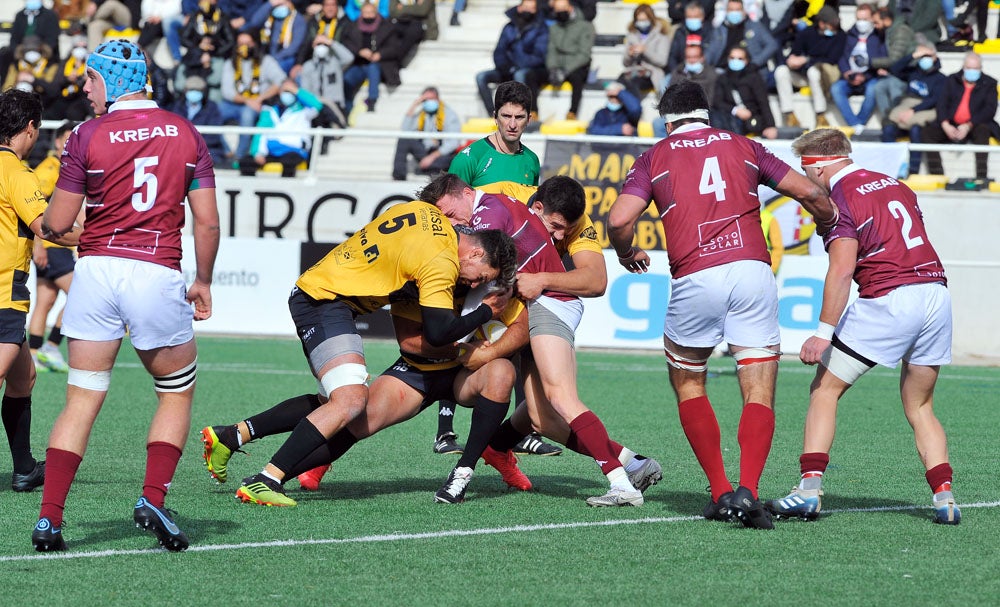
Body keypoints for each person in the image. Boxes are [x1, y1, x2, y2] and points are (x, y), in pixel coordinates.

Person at [607, 80, 837, 528]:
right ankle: (748, 490)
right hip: (752, 270)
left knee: (690, 382)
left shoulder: (654, 156)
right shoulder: (744, 145)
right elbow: (810, 194)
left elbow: (618, 219)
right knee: (758, 387)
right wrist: (830, 225)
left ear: (667, 119)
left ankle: (718, 493)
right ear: (706, 113)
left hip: (695, 275)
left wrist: (625, 252)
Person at [30, 40, 221, 553]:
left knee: (82, 398)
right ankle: (153, 497)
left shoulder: (85, 135)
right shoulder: (185, 132)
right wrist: (202, 279)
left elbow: (56, 223)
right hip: (156, 272)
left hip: (96, 274)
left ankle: (50, 518)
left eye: (90, 80)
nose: (85, 90)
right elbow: (206, 219)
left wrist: (73, 234)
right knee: (175, 392)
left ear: (111, 80)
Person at [223, 203, 517, 507]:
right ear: (475, 254)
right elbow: (436, 334)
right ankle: (266, 479)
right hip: (326, 300)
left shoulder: (426, 216)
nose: (474, 284)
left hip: (326, 293)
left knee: (336, 404)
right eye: (480, 277)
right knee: (349, 402)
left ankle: (235, 438)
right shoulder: (440, 261)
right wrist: (486, 312)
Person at [423, 174, 663, 506]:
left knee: (561, 398)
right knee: (539, 416)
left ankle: (621, 483)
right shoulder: (498, 201)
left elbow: (488, 281)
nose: (452, 224)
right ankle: (629, 463)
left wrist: (457, 332)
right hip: (543, 305)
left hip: (551, 303)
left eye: (450, 215)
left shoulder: (487, 214)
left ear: (466, 194)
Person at [766, 128, 960, 525]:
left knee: (824, 390)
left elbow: (841, 270)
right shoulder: (896, 185)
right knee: (920, 405)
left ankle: (807, 491)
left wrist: (823, 333)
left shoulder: (839, 197)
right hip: (936, 294)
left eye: (806, 171)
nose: (805, 181)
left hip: (891, 298)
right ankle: (945, 498)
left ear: (820, 165)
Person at [204, 284, 531, 502]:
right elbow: (410, 343)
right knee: (347, 414)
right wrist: (464, 349)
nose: (480, 277)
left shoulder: (494, 281)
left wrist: (486, 354)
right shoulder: (426, 276)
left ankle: (464, 470)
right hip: (418, 372)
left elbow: (520, 327)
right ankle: (262, 472)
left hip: (465, 378)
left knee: (502, 372)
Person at [443, 81, 563, 457]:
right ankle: (445, 430)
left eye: (519, 117)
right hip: (473, 267)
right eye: (506, 116)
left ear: (529, 118)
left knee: (509, 344)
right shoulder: (470, 157)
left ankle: (519, 430)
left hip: (511, 270)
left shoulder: (530, 161)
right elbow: (449, 210)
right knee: (453, 338)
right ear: (494, 116)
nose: (512, 124)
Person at [0, 90, 77, 500]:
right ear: (30, 128)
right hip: (3, 292)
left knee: (23, 377)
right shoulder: (18, 171)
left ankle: (25, 469)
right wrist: (105, 234)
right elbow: (46, 226)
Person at [29, 121, 77, 374]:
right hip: (52, 245)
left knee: (45, 301)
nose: (70, 146)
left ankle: (34, 354)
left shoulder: (65, 168)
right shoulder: (50, 170)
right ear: (57, 142)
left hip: (53, 246)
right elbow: (32, 210)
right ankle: (51, 346)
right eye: (67, 140)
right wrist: (38, 246)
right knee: (80, 294)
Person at [922, 52, 998, 182]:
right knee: (927, 132)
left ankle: (981, 177)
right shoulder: (952, 80)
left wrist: (968, 125)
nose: (972, 71)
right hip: (951, 124)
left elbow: (989, 110)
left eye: (976, 69)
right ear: (963, 67)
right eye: (969, 68)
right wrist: (945, 123)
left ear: (981, 68)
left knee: (983, 131)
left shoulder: (989, 83)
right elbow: (942, 103)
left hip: (975, 124)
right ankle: (938, 176)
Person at [773, 5, 846, 128]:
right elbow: (795, 53)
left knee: (814, 72)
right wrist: (791, 61)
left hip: (822, 75)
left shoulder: (840, 36)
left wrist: (806, 60)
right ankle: (789, 114)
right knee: (781, 71)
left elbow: (832, 59)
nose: (833, 27)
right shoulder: (807, 33)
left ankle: (820, 114)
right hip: (801, 75)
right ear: (821, 23)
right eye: (830, 24)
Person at [879, 44, 945, 177]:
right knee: (888, 128)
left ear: (935, 57)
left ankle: (913, 170)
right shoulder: (913, 72)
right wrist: (913, 55)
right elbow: (894, 69)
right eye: (922, 56)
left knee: (916, 131)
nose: (924, 59)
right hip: (906, 107)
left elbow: (934, 99)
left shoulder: (941, 78)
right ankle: (890, 166)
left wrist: (913, 110)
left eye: (928, 56)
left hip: (923, 110)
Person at [218, 30, 285, 161]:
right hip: (234, 103)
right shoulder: (230, 63)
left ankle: (239, 155)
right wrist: (248, 100)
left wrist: (259, 99)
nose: (244, 47)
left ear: (254, 44)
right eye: (241, 44)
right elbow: (227, 91)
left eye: (248, 43)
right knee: (213, 113)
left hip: (258, 103)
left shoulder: (266, 61)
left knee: (247, 115)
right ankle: (226, 151)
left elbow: (280, 81)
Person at [474, 0, 549, 117]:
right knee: (481, 77)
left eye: (531, 9)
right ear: (519, 8)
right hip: (507, 69)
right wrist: (504, 66)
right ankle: (494, 113)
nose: (527, 11)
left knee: (521, 75)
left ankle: (523, 113)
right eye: (525, 8)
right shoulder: (509, 27)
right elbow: (499, 50)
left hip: (528, 69)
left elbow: (539, 55)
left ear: (536, 10)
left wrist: (518, 65)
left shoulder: (541, 28)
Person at [238, 78, 324, 177]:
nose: (287, 93)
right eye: (284, 90)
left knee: (288, 162)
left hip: (294, 150)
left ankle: (287, 190)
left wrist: (296, 90)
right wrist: (258, 153)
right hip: (272, 151)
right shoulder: (270, 110)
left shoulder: (304, 111)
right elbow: (260, 132)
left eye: (289, 90)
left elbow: (317, 105)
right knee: (246, 162)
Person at [829, 4, 887, 135]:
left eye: (865, 19)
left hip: (870, 78)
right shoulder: (849, 35)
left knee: (874, 89)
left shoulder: (879, 36)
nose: (862, 23)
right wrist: (847, 73)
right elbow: (842, 57)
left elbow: (881, 59)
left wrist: (865, 76)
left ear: (872, 18)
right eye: (859, 19)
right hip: (849, 77)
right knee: (836, 89)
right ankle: (854, 124)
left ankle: (859, 122)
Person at [341, 1, 403, 113]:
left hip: (379, 64)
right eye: (365, 13)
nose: (368, 16)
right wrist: (359, 52)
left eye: (371, 13)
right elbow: (346, 43)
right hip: (358, 63)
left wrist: (380, 54)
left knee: (373, 68)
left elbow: (394, 47)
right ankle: (347, 106)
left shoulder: (387, 26)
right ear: (361, 13)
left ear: (376, 13)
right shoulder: (352, 26)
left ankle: (372, 100)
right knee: (347, 79)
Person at [391, 86, 462, 181]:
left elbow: (453, 143)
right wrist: (414, 105)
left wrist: (431, 157)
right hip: (425, 152)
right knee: (404, 140)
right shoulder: (421, 114)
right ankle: (399, 176)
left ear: (438, 99)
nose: (428, 102)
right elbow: (405, 130)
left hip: (442, 154)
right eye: (425, 99)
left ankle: (426, 169)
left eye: (431, 99)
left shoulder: (449, 115)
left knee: (451, 160)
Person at [712, 46, 778, 139]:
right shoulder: (723, 78)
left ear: (746, 60)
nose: (735, 61)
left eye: (740, 58)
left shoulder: (754, 77)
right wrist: (735, 110)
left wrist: (770, 126)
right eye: (732, 58)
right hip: (730, 120)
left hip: (752, 120)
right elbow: (717, 102)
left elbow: (763, 102)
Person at [545, 0, 595, 121]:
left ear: (571, 8)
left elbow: (584, 55)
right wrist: (552, 68)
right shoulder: (554, 27)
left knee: (577, 79)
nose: (561, 12)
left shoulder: (586, 26)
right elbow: (551, 51)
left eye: (563, 8)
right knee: (531, 75)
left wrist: (566, 70)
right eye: (558, 10)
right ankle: (533, 111)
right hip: (558, 66)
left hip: (576, 66)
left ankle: (573, 112)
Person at [168, 75, 230, 166]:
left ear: (203, 91)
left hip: (207, 149)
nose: (194, 93)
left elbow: (214, 135)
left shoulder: (211, 107)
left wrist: (195, 146)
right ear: (185, 90)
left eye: (198, 90)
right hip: (181, 148)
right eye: (191, 90)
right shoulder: (177, 107)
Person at [704, 0, 779, 72]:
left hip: (749, 71)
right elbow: (711, 51)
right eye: (731, 10)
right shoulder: (720, 29)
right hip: (723, 70)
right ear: (726, 11)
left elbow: (772, 45)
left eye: (737, 10)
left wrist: (755, 63)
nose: (734, 13)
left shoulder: (754, 26)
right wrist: (702, 63)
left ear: (744, 11)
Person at [178, 0, 236, 92]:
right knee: (180, 83)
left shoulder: (222, 18)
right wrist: (198, 45)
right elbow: (184, 38)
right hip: (196, 55)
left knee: (214, 80)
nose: (207, 2)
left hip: (216, 56)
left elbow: (230, 41)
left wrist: (214, 49)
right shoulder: (195, 17)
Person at [241, 0, 308, 74]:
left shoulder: (298, 19)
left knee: (274, 69)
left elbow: (295, 46)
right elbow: (255, 22)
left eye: (282, 3)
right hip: (267, 55)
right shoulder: (271, 17)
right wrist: (270, 4)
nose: (280, 6)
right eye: (278, 4)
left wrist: (275, 58)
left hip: (285, 58)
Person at [619, 4, 671, 99]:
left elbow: (662, 61)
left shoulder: (661, 35)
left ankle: (635, 110)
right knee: (618, 83)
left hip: (651, 73)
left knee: (633, 83)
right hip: (633, 70)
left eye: (644, 20)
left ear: (651, 19)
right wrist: (629, 54)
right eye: (639, 20)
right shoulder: (632, 35)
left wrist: (645, 51)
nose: (641, 23)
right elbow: (625, 63)